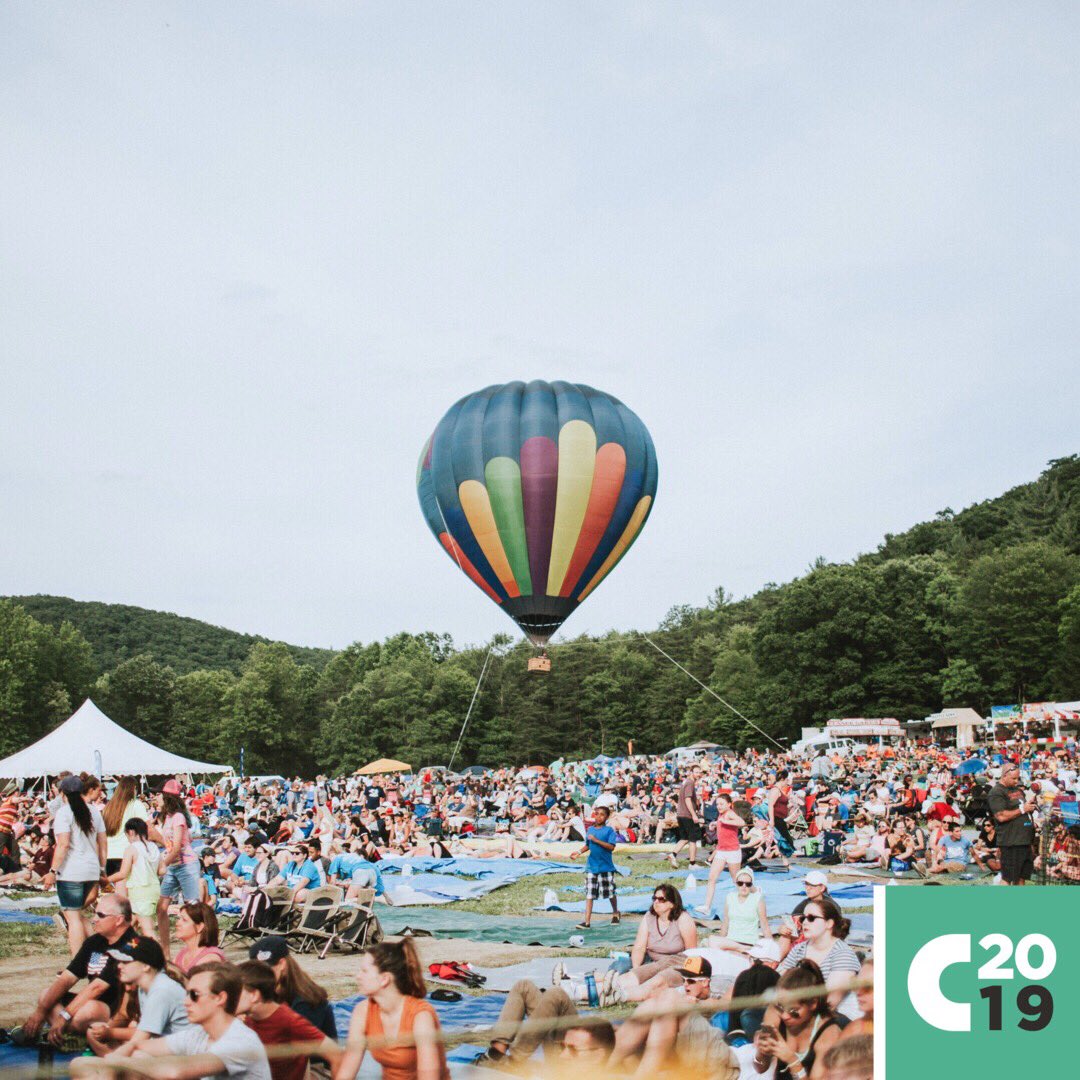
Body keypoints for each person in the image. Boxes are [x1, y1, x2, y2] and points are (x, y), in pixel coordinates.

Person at [73, 962, 272, 1080]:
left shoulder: (239, 1041)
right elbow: (139, 1047)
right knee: (81, 1064)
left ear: (220, 998)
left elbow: (175, 1072)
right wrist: (116, 1062)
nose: (186, 1002)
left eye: (194, 995)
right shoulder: (200, 1033)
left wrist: (118, 1061)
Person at [18, 894, 136, 1048]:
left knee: (88, 1010)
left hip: (117, 1011)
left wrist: (64, 1016)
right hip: (93, 1006)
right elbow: (67, 978)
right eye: (95, 913)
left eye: (100, 915)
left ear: (119, 920)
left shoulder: (131, 945)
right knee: (46, 997)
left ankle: (70, 1036)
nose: (94, 919)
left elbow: (97, 987)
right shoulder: (95, 942)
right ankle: (69, 1036)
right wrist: (40, 1011)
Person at [335, 938, 450, 1080]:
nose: (358, 976)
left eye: (364, 971)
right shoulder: (363, 1011)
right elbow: (347, 1070)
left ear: (384, 979)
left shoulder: (420, 1015)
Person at [614, 956, 739, 1079]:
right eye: (683, 980)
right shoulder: (682, 992)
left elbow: (720, 1004)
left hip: (706, 1043)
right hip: (679, 1037)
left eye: (690, 981)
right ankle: (608, 1063)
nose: (686, 985)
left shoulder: (720, 990)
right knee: (654, 1003)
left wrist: (698, 1004)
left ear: (705, 982)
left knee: (670, 999)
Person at [235, 960, 342, 1080]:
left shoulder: (287, 1020)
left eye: (235, 992)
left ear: (254, 995)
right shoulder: (248, 1019)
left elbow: (336, 1054)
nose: (230, 998)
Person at [85, 935, 188, 1056]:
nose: (119, 966)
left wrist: (112, 1060)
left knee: (137, 1055)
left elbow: (140, 1039)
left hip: (186, 1056)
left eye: (126, 962)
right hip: (168, 1048)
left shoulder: (161, 990)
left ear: (146, 966)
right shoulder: (145, 987)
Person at [43, 775, 108, 955]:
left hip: (71, 871)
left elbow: (63, 845)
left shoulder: (64, 813)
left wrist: (52, 871)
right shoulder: (94, 811)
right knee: (78, 916)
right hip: (92, 869)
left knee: (73, 919)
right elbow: (102, 842)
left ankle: (77, 965)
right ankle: (98, 956)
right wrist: (102, 869)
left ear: (62, 792)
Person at [749, 960, 842, 1080]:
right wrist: (761, 1053)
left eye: (793, 1010)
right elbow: (760, 1068)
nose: (785, 1016)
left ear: (813, 1003)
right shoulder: (775, 1012)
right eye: (781, 1006)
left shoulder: (829, 1034)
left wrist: (792, 1060)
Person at [777, 898, 861, 1019]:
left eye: (811, 918)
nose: (804, 922)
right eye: (803, 918)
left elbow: (829, 1003)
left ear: (829, 923)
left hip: (834, 1017)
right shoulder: (799, 949)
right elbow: (781, 984)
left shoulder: (843, 954)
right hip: (797, 1010)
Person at [615, 883, 698, 1001]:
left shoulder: (683, 919)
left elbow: (692, 952)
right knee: (619, 967)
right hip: (651, 960)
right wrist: (636, 969)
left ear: (672, 904)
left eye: (661, 899)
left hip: (674, 963)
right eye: (654, 898)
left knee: (661, 978)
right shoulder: (649, 917)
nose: (656, 902)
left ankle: (627, 992)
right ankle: (605, 985)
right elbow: (639, 947)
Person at [474, 979, 580, 1067]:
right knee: (523, 987)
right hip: (563, 1044)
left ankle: (515, 1060)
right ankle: (496, 1054)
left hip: (574, 1054)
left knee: (557, 995)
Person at [249, 936, 337, 1039]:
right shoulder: (267, 992)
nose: (261, 975)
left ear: (282, 964)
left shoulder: (306, 1000)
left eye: (266, 970)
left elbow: (298, 1045)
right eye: (257, 971)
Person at [156, 780, 201, 955]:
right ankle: (165, 951)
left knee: (193, 909)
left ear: (166, 797)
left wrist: (161, 865)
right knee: (161, 908)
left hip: (186, 865)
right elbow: (171, 846)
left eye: (158, 794)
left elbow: (176, 848)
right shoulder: (167, 818)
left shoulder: (178, 818)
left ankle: (198, 949)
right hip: (174, 866)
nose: (155, 797)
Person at [105, 817, 161, 936]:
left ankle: (156, 954)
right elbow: (162, 870)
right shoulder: (154, 847)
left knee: (148, 929)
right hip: (154, 890)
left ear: (130, 832)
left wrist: (105, 880)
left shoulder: (132, 849)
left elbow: (123, 873)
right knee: (131, 925)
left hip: (139, 891)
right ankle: (130, 949)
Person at [569, 803, 620, 929]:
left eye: (602, 815)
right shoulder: (590, 830)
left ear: (607, 817)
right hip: (592, 867)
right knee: (590, 894)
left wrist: (597, 840)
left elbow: (611, 847)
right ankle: (587, 921)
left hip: (606, 867)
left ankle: (615, 912)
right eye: (597, 814)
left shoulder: (609, 831)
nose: (599, 817)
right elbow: (588, 845)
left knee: (610, 892)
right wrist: (579, 852)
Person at [987, 763, 1037, 885]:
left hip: (1025, 840)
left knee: (1021, 877)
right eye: (1013, 778)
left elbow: (1023, 809)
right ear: (1004, 776)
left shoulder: (1018, 790)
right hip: (1011, 842)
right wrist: (1023, 809)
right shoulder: (996, 792)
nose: (1016, 781)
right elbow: (1001, 816)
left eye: (1018, 778)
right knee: (1008, 878)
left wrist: (1029, 806)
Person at [703, 792, 749, 913]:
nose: (719, 806)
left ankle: (748, 900)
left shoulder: (729, 813)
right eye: (717, 804)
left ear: (729, 804)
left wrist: (726, 822)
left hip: (733, 851)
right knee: (712, 878)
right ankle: (706, 906)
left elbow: (741, 822)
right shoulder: (721, 814)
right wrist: (715, 824)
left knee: (736, 880)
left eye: (722, 804)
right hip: (721, 851)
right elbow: (722, 824)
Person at [101, 776, 150, 878]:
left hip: (108, 856)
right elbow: (148, 828)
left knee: (113, 893)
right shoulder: (135, 805)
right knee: (125, 893)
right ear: (134, 788)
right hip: (126, 855)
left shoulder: (108, 807)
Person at [712, 868, 769, 954]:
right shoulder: (730, 897)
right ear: (736, 884)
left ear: (751, 885)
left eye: (748, 884)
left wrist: (771, 946)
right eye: (740, 883)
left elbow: (764, 925)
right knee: (712, 940)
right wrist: (721, 940)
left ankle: (743, 950)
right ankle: (738, 950)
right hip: (731, 941)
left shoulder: (757, 899)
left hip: (749, 942)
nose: (744, 886)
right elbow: (725, 922)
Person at [173, 902, 226, 975]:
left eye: (184, 920)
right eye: (179, 919)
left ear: (200, 927)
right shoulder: (181, 955)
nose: (177, 923)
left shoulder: (210, 959)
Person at [668, 765, 703, 868]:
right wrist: (694, 815)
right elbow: (687, 799)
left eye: (699, 772)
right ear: (691, 772)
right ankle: (692, 864)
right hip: (687, 815)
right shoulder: (690, 783)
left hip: (681, 814)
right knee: (693, 840)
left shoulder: (685, 782)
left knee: (684, 838)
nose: (698, 774)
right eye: (696, 772)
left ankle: (673, 854)